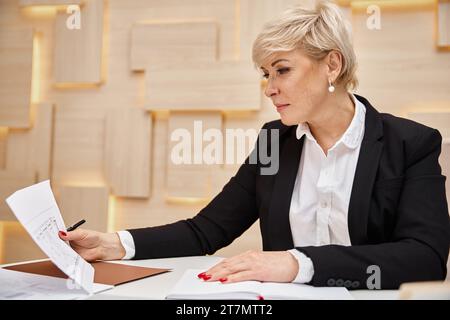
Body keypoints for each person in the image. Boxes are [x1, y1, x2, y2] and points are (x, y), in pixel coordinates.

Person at [59, 0, 450, 289]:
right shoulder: (273, 141)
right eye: (265, 74)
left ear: (332, 65)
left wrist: (298, 264)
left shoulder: (410, 143)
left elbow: (426, 259)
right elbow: (205, 231)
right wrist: (113, 244)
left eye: (282, 70)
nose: (270, 88)